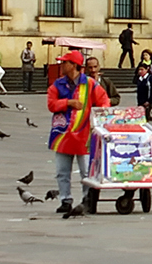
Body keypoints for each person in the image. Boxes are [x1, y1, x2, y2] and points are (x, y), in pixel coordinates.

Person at [46, 50, 110, 214]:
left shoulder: (90, 84)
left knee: (87, 172)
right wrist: (68, 102)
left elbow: (104, 103)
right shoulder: (57, 85)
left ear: (74, 65)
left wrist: (97, 121)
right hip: (62, 135)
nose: (62, 65)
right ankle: (65, 199)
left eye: (65, 63)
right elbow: (51, 104)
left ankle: (87, 199)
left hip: (85, 135)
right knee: (62, 172)